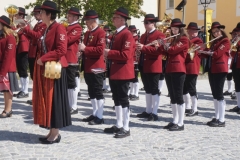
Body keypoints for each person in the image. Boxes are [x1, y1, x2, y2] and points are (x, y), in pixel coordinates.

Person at [32, 0, 71, 144]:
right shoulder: (46, 28)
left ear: (49, 14)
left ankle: (55, 133)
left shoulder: (59, 28)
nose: (40, 14)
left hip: (56, 69)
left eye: (42, 12)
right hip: (47, 68)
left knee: (54, 100)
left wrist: (44, 58)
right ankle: (51, 131)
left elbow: (61, 50)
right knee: (49, 99)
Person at [103, 7, 134, 138]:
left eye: (115, 18)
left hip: (123, 72)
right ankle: (119, 124)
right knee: (116, 99)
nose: (113, 19)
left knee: (123, 99)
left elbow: (126, 54)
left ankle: (126, 127)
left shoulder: (127, 34)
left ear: (122, 20)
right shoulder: (116, 34)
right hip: (115, 71)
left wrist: (109, 53)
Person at [159, 18, 189, 131]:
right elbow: (165, 52)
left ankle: (181, 123)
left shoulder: (184, 39)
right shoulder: (172, 39)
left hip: (179, 69)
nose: (173, 31)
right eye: (172, 29)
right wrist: (162, 45)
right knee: (172, 96)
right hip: (169, 69)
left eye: (176, 29)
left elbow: (173, 50)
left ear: (180, 29)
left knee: (178, 96)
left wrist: (166, 45)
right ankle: (175, 120)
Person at [199, 22, 230, 127]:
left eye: (217, 31)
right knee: (215, 94)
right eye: (213, 32)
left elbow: (217, 54)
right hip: (212, 69)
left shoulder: (225, 41)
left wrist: (207, 51)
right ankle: (217, 116)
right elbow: (210, 55)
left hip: (220, 69)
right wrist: (201, 50)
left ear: (221, 31)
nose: (215, 34)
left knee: (219, 94)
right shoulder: (214, 43)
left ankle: (222, 119)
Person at [136, 14, 165, 121]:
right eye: (144, 22)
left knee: (154, 89)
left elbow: (159, 51)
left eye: (147, 23)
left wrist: (144, 48)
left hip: (154, 65)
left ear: (153, 23)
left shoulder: (160, 35)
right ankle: (148, 110)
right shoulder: (143, 36)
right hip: (144, 64)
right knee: (147, 89)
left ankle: (155, 112)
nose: (145, 24)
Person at [79, 10, 105, 125]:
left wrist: (85, 49)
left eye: (88, 21)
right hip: (88, 65)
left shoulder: (101, 33)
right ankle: (95, 113)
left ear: (94, 20)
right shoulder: (87, 33)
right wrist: (81, 51)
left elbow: (100, 50)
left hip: (97, 66)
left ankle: (100, 116)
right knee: (91, 92)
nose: (86, 23)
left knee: (98, 91)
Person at [24, 5, 47, 105]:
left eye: (37, 13)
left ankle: (39, 98)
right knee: (34, 77)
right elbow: (32, 35)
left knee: (38, 77)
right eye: (35, 13)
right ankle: (36, 98)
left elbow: (37, 35)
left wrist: (27, 29)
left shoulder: (44, 25)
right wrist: (25, 28)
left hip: (38, 52)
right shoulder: (38, 24)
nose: (35, 15)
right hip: (32, 52)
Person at [0, 15, 19, 118]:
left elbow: (8, 56)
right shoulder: (2, 36)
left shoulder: (10, 38)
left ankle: (8, 109)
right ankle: (6, 108)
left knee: (8, 89)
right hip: (2, 65)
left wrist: (3, 71)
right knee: (4, 89)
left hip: (7, 67)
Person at [65, 7, 82, 114]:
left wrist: (60, 36)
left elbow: (69, 39)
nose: (68, 17)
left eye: (70, 16)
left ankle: (74, 106)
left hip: (71, 57)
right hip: (65, 57)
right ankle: (68, 104)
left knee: (72, 83)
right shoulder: (67, 27)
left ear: (75, 17)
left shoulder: (77, 27)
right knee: (67, 83)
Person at [184, 22, 203, 116]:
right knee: (184, 89)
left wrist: (185, 40)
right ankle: (187, 107)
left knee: (192, 88)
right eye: (191, 31)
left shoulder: (198, 41)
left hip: (192, 67)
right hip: (184, 67)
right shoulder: (187, 39)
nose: (193, 33)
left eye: (195, 31)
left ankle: (195, 109)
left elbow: (192, 50)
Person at [14, 7, 30, 98]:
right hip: (18, 48)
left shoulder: (25, 23)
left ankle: (26, 90)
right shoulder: (17, 24)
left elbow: (20, 33)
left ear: (21, 15)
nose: (15, 16)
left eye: (17, 14)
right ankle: (22, 89)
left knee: (23, 70)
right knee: (20, 70)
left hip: (24, 48)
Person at [229, 23, 240, 114]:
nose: (236, 34)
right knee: (237, 85)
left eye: (238, 32)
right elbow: (232, 53)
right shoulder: (235, 40)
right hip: (235, 64)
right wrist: (233, 43)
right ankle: (239, 105)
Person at [223, 29, 236, 96]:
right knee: (229, 75)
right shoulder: (230, 41)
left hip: (235, 60)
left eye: (234, 34)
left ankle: (235, 91)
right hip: (228, 59)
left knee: (236, 77)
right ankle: (230, 89)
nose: (233, 35)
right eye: (232, 34)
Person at [128, 25, 140, 101]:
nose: (133, 32)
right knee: (131, 77)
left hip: (135, 59)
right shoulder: (130, 37)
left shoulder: (137, 38)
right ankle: (131, 92)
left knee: (135, 77)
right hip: (130, 59)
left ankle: (136, 93)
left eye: (133, 31)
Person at [102, 25, 112, 93]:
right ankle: (103, 86)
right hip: (104, 56)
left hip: (110, 56)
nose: (106, 32)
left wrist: (109, 41)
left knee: (110, 72)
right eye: (105, 31)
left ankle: (110, 87)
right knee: (103, 72)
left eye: (107, 31)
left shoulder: (111, 37)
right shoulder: (102, 37)